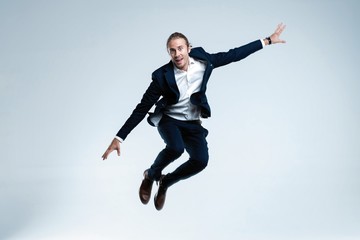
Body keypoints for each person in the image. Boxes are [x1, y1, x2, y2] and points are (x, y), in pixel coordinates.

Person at [102, 23, 286, 210]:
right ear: (169, 53)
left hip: (192, 123)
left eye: (180, 48)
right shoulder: (161, 76)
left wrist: (268, 40)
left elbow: (234, 55)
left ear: (189, 48)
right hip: (169, 120)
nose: (177, 54)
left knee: (200, 161)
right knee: (176, 148)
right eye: (172, 51)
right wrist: (119, 137)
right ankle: (151, 174)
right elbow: (142, 108)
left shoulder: (204, 61)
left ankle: (166, 182)